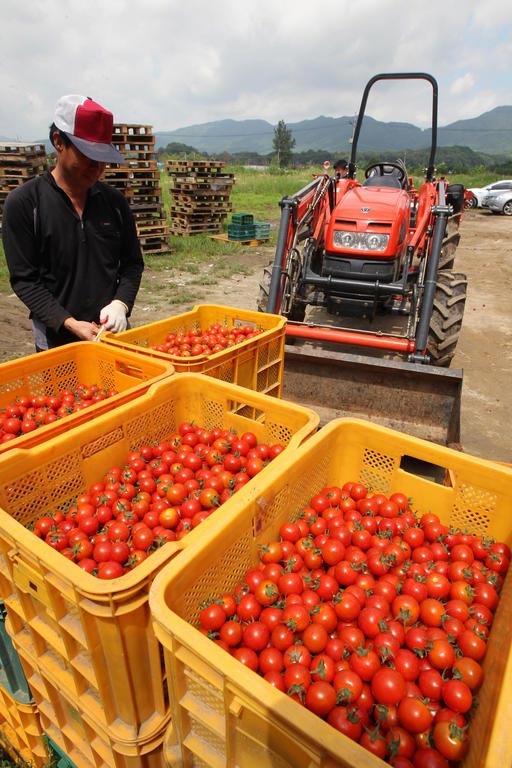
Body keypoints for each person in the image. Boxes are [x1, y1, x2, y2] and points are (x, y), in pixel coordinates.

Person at [2, 95, 144, 351]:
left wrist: (121, 304)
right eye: (88, 156)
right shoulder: (24, 204)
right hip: (56, 340)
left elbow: (132, 264)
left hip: (110, 336)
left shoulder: (114, 203)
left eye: (103, 157)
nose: (97, 167)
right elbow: (25, 280)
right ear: (58, 141)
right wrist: (68, 322)